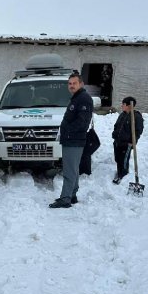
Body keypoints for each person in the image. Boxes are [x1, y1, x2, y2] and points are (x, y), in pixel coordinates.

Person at [49, 73, 94, 208]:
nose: (71, 86)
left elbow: (83, 122)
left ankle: (65, 199)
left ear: (81, 84)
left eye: (74, 83)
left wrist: (67, 130)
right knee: (73, 169)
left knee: (69, 171)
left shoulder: (84, 99)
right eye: (69, 84)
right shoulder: (77, 98)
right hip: (71, 140)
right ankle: (72, 195)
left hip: (74, 140)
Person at [111, 96, 144, 184]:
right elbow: (116, 126)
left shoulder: (136, 116)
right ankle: (119, 172)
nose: (122, 105)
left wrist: (132, 142)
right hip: (118, 141)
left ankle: (123, 175)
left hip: (127, 143)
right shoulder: (123, 114)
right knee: (118, 159)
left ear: (129, 106)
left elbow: (138, 131)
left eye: (124, 104)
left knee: (124, 160)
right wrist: (115, 134)